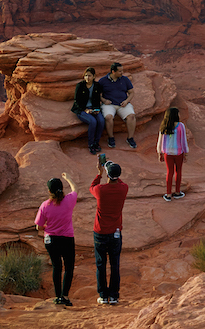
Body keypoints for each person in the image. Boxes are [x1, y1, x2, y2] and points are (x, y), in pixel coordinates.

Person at [35, 173, 78, 307]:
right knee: (69, 267)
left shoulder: (45, 205)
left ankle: (58, 296)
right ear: (61, 188)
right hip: (67, 238)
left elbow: (39, 227)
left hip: (51, 240)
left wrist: (49, 227)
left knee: (56, 266)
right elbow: (75, 190)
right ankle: (65, 296)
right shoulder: (69, 200)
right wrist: (69, 179)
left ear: (49, 191)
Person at [89, 159, 128, 305]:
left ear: (108, 175)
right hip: (115, 232)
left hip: (100, 231)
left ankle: (103, 295)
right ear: (118, 175)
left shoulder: (100, 190)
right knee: (115, 264)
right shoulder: (124, 188)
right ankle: (114, 296)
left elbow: (92, 186)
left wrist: (100, 173)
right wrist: (111, 171)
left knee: (101, 264)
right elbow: (120, 182)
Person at [97, 63, 139, 150]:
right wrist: (104, 100)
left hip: (123, 103)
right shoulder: (103, 81)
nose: (122, 72)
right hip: (109, 104)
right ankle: (111, 138)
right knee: (108, 117)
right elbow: (97, 94)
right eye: (120, 71)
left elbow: (131, 92)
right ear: (113, 71)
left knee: (131, 116)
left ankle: (130, 138)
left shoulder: (125, 79)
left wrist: (127, 101)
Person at [73, 67, 107, 156]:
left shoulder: (97, 86)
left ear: (94, 76)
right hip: (81, 109)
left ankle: (96, 142)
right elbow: (77, 101)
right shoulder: (80, 86)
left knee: (101, 121)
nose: (87, 77)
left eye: (90, 76)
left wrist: (97, 110)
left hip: (94, 108)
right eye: (86, 75)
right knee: (93, 121)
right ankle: (91, 144)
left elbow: (97, 99)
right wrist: (85, 109)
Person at [157, 107, 188, 201]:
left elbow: (160, 141)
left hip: (167, 153)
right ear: (175, 115)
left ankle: (168, 194)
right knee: (178, 171)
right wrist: (185, 152)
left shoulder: (164, 126)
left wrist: (160, 153)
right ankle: (177, 192)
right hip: (178, 152)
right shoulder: (180, 126)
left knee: (169, 172)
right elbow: (183, 140)